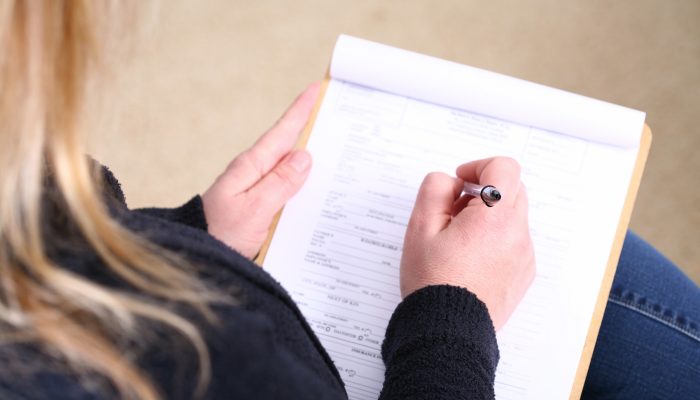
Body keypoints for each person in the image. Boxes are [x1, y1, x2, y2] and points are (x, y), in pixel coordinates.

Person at [0, 2, 697, 399]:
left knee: (601, 264)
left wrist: (189, 239)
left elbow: (59, 262)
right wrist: (454, 312)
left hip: (203, 292)